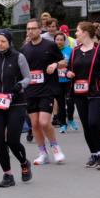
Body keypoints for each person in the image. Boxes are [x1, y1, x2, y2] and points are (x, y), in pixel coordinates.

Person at [0, 30, 32, 187]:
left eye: (3, 41)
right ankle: (8, 175)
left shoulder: (19, 57)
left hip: (16, 103)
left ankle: (24, 163)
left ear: (9, 42)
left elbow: (28, 77)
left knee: (12, 140)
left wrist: (20, 85)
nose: (0, 44)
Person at [65, 22, 100, 169]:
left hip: (97, 91)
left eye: (78, 31)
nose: (76, 34)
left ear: (85, 32)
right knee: (86, 125)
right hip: (79, 92)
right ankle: (94, 154)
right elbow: (68, 68)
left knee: (93, 122)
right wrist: (68, 73)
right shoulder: (75, 51)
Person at [20, 18, 67, 166]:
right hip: (30, 91)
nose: (30, 31)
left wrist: (54, 64)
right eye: (28, 29)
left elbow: (64, 62)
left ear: (40, 30)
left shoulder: (50, 45)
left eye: (33, 28)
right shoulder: (24, 49)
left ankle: (55, 147)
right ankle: (43, 153)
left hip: (47, 89)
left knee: (44, 122)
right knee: (34, 124)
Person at [53, 31, 77, 133]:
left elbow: (74, 64)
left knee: (70, 102)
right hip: (57, 81)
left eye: (61, 40)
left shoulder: (70, 50)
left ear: (64, 41)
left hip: (68, 81)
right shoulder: (51, 51)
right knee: (61, 104)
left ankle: (70, 119)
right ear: (54, 41)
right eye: (57, 40)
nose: (59, 42)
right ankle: (63, 124)